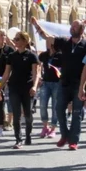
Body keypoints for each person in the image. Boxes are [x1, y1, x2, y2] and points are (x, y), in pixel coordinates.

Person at [34, 18, 86, 150]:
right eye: (72, 26)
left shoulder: (85, 45)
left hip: (79, 84)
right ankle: (64, 135)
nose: (72, 28)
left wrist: (83, 88)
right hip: (63, 83)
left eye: (75, 27)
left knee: (76, 113)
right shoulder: (64, 42)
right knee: (58, 109)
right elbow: (47, 37)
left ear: (81, 30)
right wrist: (36, 26)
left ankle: (73, 141)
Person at [0, 31, 40, 149]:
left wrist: (34, 86)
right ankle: (18, 139)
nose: (15, 41)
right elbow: (6, 73)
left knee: (27, 114)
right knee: (16, 114)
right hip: (14, 87)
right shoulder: (11, 56)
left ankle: (28, 135)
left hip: (27, 88)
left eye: (17, 39)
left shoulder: (32, 56)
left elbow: (36, 74)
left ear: (24, 41)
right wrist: (0, 87)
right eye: (15, 39)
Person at [38, 43, 61, 138]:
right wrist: (39, 77)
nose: (47, 44)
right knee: (43, 105)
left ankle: (53, 129)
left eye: (50, 42)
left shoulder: (60, 55)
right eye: (46, 42)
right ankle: (45, 127)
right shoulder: (44, 55)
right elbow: (38, 65)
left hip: (57, 83)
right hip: (45, 83)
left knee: (55, 107)